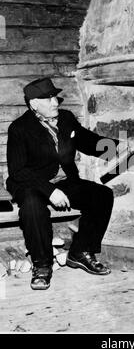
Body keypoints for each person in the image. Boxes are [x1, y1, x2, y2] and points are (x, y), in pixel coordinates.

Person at [6, 77, 118, 291]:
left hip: (63, 180)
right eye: (47, 99)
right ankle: (42, 264)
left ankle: (80, 252)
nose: (55, 102)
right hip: (31, 182)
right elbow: (18, 171)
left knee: (102, 195)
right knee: (31, 206)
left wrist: (120, 147)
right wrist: (50, 190)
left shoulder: (66, 118)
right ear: (33, 104)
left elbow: (88, 141)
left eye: (54, 97)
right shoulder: (19, 128)